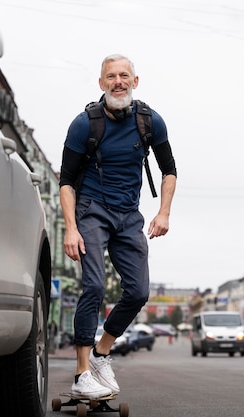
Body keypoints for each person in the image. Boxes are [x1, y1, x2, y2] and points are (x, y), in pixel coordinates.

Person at [59, 54, 177, 398]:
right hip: (92, 210)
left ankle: (101, 353)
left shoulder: (150, 121)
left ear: (135, 82)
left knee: (139, 291)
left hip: (129, 215)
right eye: (111, 76)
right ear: (101, 83)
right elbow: (66, 181)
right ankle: (82, 374)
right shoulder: (84, 124)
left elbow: (169, 169)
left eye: (124, 75)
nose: (118, 82)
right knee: (94, 286)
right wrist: (71, 228)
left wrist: (164, 212)